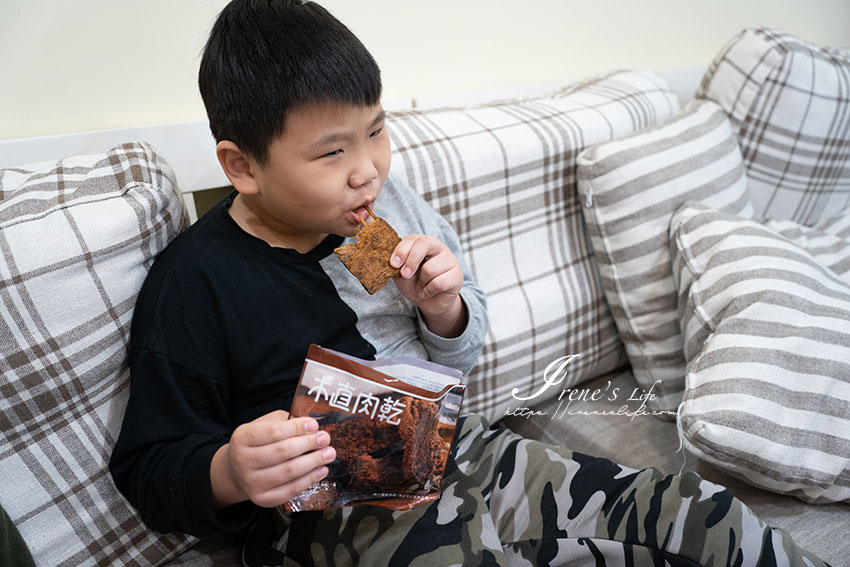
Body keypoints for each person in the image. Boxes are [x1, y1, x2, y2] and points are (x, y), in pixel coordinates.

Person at [110, 1, 830, 566]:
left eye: (376, 130)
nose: (368, 168)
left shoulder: (370, 219)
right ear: (241, 166)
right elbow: (150, 463)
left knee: (688, 509)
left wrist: (444, 308)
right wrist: (230, 470)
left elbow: (455, 358)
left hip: (451, 445)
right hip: (321, 513)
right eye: (331, 151)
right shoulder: (197, 280)